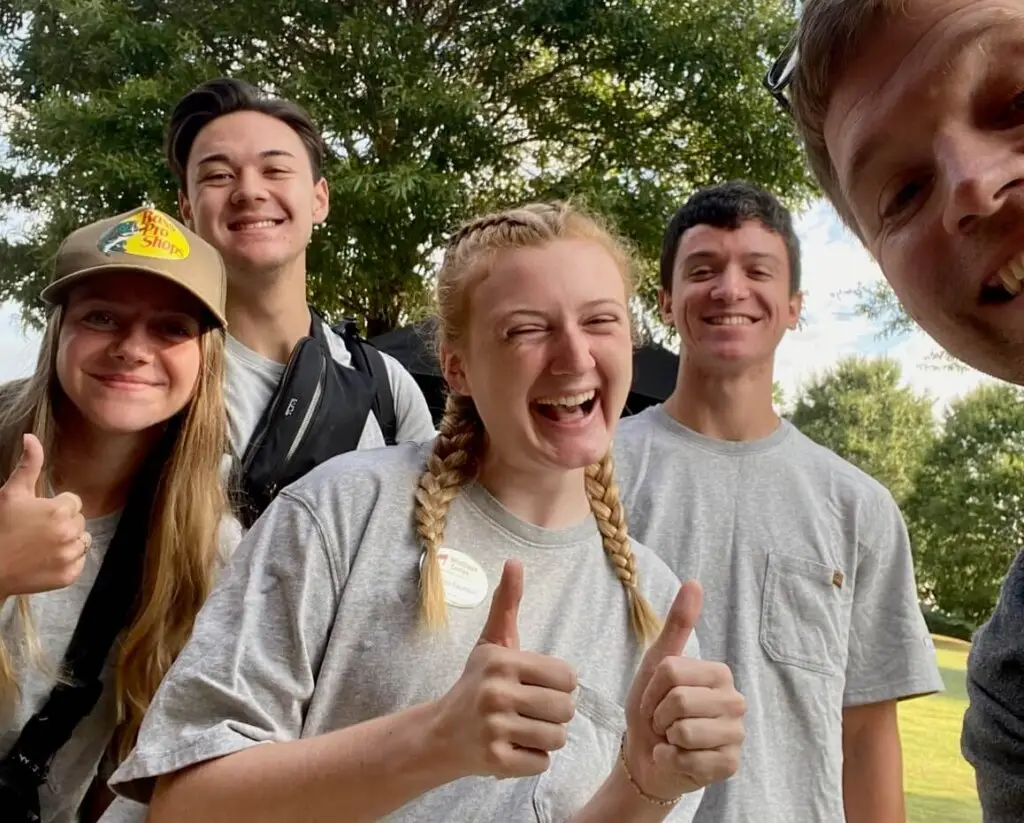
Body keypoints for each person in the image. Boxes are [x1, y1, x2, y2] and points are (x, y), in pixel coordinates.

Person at [106, 201, 746, 822]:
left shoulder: (657, 606)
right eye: (527, 328)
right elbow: (185, 804)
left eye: (601, 322)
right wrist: (434, 739)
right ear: (456, 367)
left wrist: (648, 786)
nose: (575, 357)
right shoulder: (341, 512)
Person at [612, 181, 943, 823]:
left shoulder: (858, 508)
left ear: (794, 306)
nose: (729, 289)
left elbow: (868, 736)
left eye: (757, 271)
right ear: (666, 301)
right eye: (702, 270)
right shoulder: (597, 475)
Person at [775, 2, 1024, 818]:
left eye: (1016, 102)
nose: (973, 190)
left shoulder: (858, 504)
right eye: (904, 190)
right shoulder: (1013, 690)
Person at [0, 206, 237, 823]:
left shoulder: (205, 540)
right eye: (101, 317)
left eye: (170, 328)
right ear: (60, 330)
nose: (133, 349)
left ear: (204, 357)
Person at [165, 77, 436, 524]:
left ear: (319, 199)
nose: (249, 191)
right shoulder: (158, 376)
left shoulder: (385, 385)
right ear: (187, 210)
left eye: (274, 170)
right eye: (218, 175)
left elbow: (425, 543)